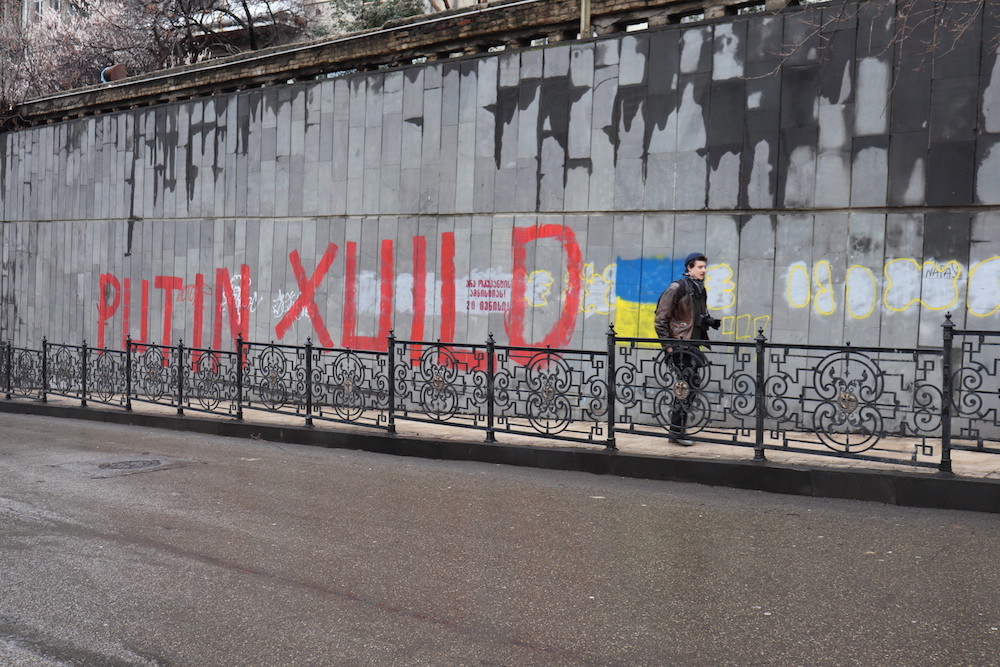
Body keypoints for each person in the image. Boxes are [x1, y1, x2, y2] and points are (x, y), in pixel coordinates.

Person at [653, 252, 720, 445]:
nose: (704, 270)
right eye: (700, 267)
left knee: (691, 385)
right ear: (689, 268)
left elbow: (691, 317)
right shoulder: (677, 288)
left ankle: (678, 430)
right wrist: (669, 347)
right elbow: (660, 320)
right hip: (680, 346)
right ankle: (677, 432)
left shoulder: (699, 289)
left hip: (693, 345)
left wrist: (707, 321)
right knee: (684, 388)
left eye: (704, 267)